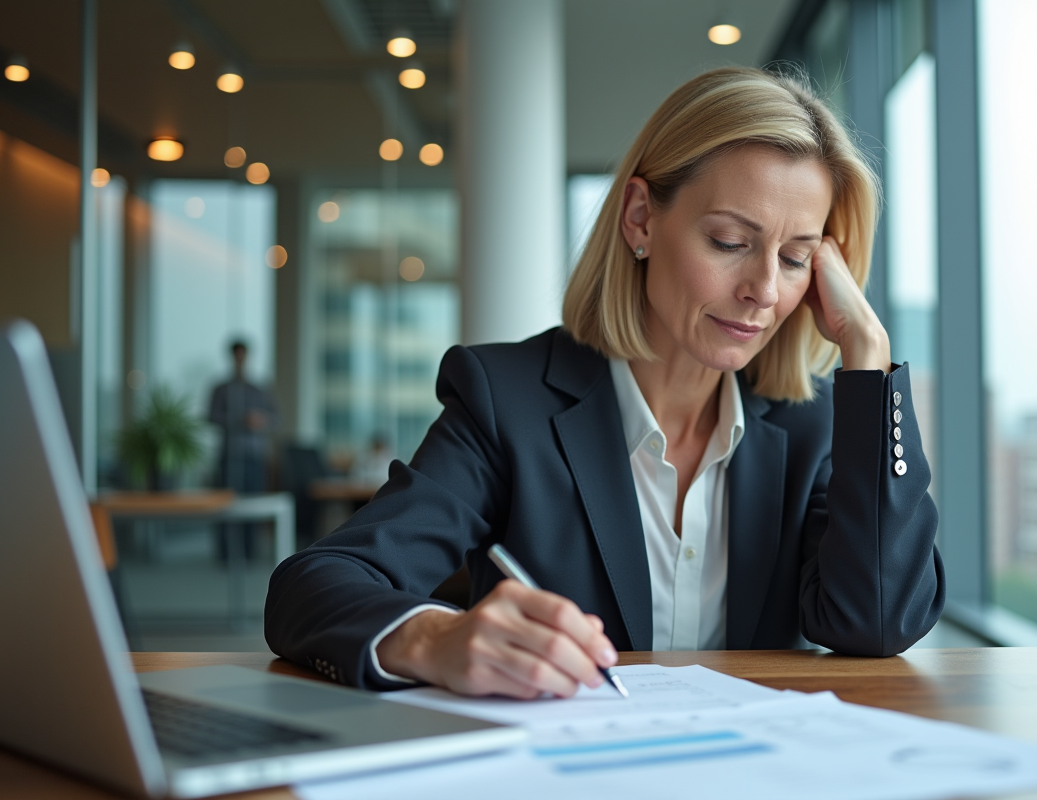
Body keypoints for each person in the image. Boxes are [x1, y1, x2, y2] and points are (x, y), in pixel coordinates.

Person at [265, 67, 943, 697]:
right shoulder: (507, 401)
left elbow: (877, 620)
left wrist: (869, 357)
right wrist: (433, 637)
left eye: (796, 258)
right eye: (730, 243)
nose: (764, 290)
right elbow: (312, 586)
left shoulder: (813, 424)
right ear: (640, 217)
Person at [209, 340, 278, 558]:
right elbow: (212, 416)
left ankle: (249, 551)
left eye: (243, 355)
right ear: (232, 357)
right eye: (237, 356)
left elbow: (276, 419)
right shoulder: (221, 389)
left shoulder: (260, 389)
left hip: (254, 455)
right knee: (226, 503)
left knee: (252, 502)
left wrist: (261, 421)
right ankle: (225, 551)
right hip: (230, 455)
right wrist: (240, 419)